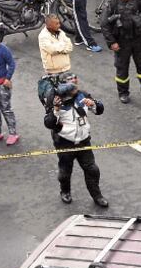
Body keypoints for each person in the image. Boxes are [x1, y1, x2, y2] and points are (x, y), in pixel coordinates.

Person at [44, 75, 108, 206]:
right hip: (65, 143)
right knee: (65, 172)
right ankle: (65, 191)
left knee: (92, 170)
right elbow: (49, 123)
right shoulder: (55, 99)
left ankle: (97, 196)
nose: (74, 81)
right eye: (70, 79)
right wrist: (56, 110)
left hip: (84, 141)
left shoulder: (82, 95)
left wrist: (94, 104)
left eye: (75, 78)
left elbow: (99, 110)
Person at [39, 14, 74, 78]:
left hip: (66, 68)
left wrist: (58, 47)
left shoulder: (61, 32)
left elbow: (70, 47)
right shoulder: (43, 36)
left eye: (59, 23)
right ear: (49, 26)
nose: (59, 26)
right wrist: (63, 45)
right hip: (53, 72)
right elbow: (52, 50)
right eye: (56, 24)